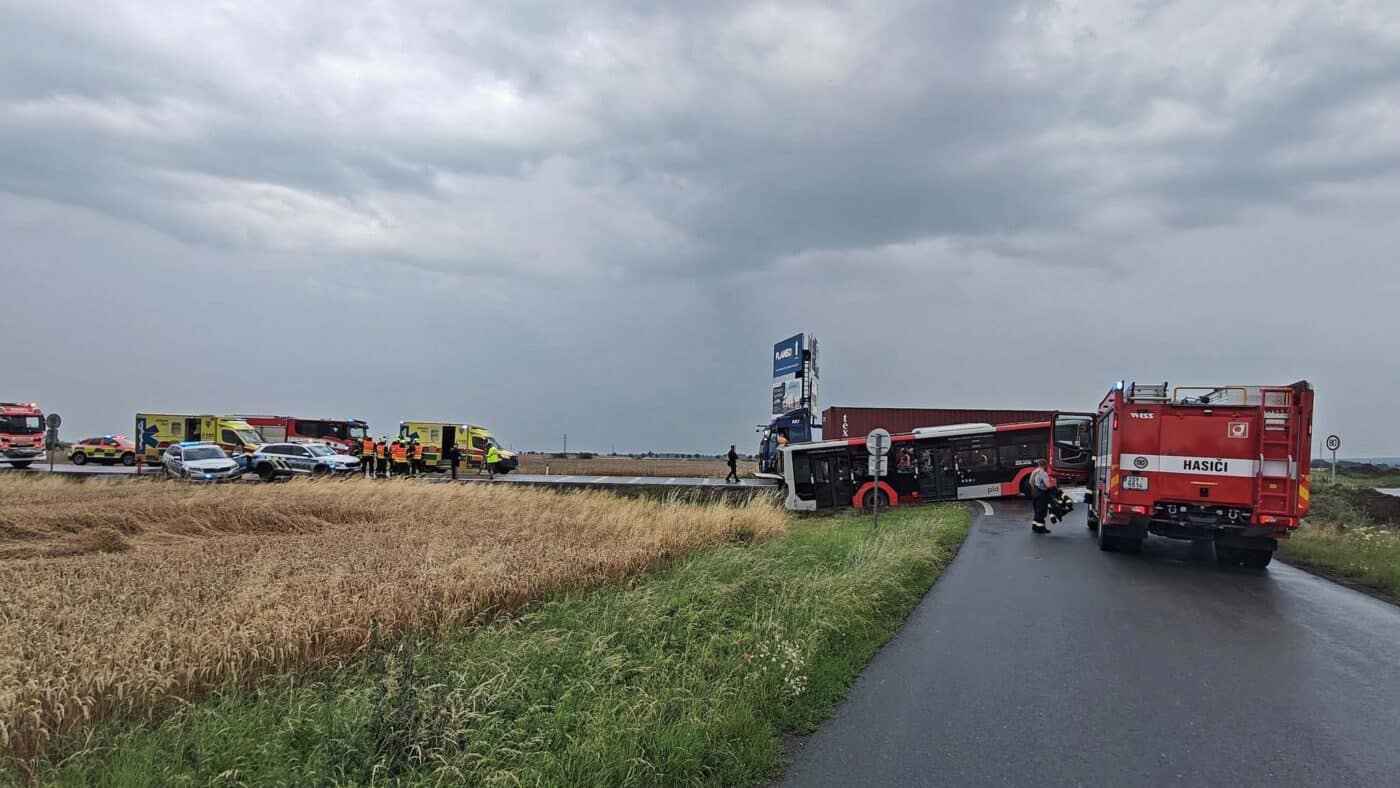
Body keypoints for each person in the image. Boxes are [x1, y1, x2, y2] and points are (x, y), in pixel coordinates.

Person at [1029, 459, 1055, 534]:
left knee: (1037, 510)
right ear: (1045, 465)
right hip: (1041, 494)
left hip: (1035, 491)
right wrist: (1052, 485)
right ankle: (1041, 528)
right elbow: (1048, 485)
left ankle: (1035, 527)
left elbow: (1031, 482)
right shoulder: (1043, 473)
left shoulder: (1035, 472)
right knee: (1042, 511)